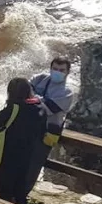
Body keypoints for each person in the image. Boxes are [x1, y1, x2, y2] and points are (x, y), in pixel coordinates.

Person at [0, 78, 48, 204]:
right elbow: (43, 130)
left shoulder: (14, 108)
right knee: (20, 194)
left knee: (5, 195)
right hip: (27, 158)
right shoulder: (40, 108)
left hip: (7, 157)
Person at [23, 57, 75, 195]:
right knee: (18, 160)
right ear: (50, 68)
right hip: (28, 128)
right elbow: (22, 91)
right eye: (55, 69)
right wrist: (38, 100)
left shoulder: (67, 92)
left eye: (61, 70)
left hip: (46, 133)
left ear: (68, 72)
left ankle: (21, 196)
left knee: (33, 166)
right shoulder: (40, 78)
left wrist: (33, 98)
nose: (57, 72)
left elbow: (48, 108)